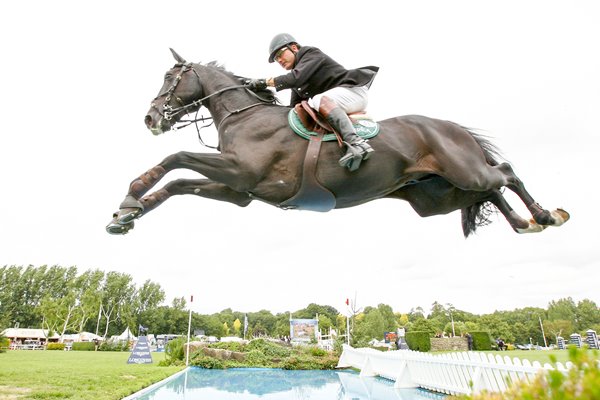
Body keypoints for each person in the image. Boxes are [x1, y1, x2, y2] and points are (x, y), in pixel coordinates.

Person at [247, 33, 379, 171]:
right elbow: (292, 108)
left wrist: (264, 82)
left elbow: (294, 78)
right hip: (336, 99)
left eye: (280, 54)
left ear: (294, 48)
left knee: (318, 100)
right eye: (276, 59)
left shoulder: (310, 53)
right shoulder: (298, 76)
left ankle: (357, 143)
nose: (279, 60)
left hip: (353, 92)